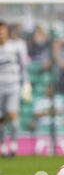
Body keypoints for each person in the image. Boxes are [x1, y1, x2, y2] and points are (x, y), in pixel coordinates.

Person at [0, 22, 31, 157]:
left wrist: (26, 83)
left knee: (12, 115)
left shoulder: (16, 47)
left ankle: (13, 144)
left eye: (2, 30)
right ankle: (2, 145)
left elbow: (23, 66)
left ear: (7, 31)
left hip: (13, 85)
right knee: (1, 118)